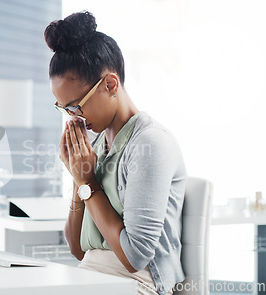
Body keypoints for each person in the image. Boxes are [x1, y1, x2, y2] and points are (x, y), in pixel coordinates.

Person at [44, 11, 187, 295]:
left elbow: (135, 258)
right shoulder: (96, 144)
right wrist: (78, 179)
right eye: (64, 108)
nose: (73, 117)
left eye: (75, 106)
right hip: (90, 278)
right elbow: (77, 249)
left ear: (110, 85)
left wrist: (89, 183)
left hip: (139, 284)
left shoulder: (150, 144)